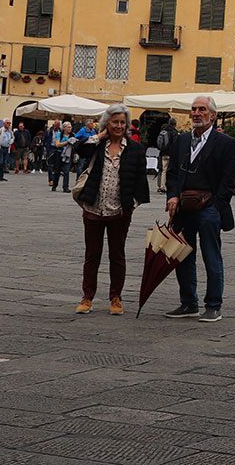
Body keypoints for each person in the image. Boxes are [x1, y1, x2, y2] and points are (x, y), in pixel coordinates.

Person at [164, 96, 235, 322]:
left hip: (209, 209)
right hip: (184, 207)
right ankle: (188, 303)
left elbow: (229, 180)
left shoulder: (224, 143)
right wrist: (173, 196)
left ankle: (213, 305)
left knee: (211, 256)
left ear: (212, 115)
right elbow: (174, 173)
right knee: (183, 255)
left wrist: (216, 206)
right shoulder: (182, 140)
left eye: (202, 109)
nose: (196, 113)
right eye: (194, 109)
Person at [73, 104, 149, 315]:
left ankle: (116, 298)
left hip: (120, 211)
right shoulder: (98, 144)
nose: (119, 125)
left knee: (117, 255)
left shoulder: (135, 149)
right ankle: (87, 297)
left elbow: (140, 182)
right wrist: (100, 134)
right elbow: (79, 149)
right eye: (114, 121)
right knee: (92, 254)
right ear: (107, 123)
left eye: (122, 122)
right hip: (93, 207)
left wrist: (131, 205)